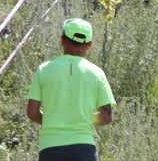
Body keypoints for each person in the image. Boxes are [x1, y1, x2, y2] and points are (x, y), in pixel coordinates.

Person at [27, 17, 115, 161]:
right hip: (84, 148)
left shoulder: (43, 70)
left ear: (62, 40)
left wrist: (55, 119)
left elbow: (32, 112)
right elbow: (106, 116)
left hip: (50, 148)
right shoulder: (97, 73)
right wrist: (82, 118)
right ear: (89, 45)